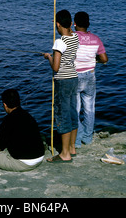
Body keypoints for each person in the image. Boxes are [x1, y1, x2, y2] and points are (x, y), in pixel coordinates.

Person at [0, 89, 45, 171]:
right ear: (19, 101)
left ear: (5, 105)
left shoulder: (8, 120)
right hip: (39, 158)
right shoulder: (27, 115)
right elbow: (18, 129)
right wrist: (1, 130)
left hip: (23, 163)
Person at [43, 9, 79, 163]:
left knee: (63, 114)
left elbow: (56, 67)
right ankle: (72, 147)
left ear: (58, 24)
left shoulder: (59, 42)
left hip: (63, 80)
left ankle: (64, 154)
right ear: (70, 23)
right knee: (72, 112)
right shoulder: (75, 37)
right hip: (73, 78)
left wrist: (49, 58)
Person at [73, 11, 108, 148]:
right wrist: (94, 59)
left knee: (74, 109)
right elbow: (104, 59)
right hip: (90, 76)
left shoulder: (71, 38)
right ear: (88, 24)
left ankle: (76, 140)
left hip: (75, 76)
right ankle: (87, 138)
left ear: (74, 23)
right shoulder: (96, 39)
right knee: (89, 109)